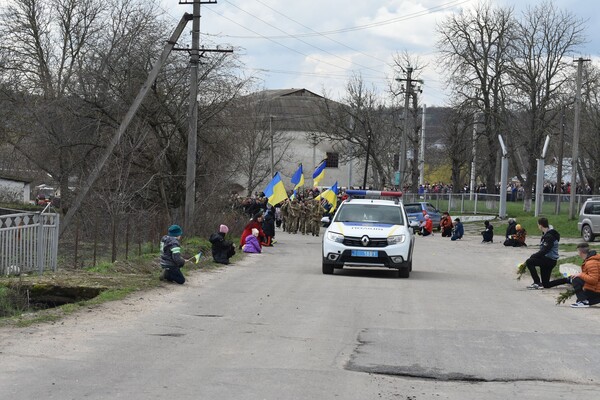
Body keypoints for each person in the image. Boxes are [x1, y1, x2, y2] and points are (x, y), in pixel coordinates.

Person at [522, 217, 560, 289]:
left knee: (529, 262)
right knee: (546, 284)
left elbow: (545, 250)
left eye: (538, 225)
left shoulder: (550, 236)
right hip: (547, 259)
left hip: (549, 260)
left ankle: (537, 282)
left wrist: (534, 256)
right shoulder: (547, 233)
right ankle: (567, 280)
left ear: (541, 225)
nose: (538, 226)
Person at [568, 243, 600, 308]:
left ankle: (583, 301)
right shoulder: (591, 260)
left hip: (596, 289)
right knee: (578, 300)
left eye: (578, 251)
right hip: (595, 288)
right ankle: (585, 301)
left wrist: (580, 274)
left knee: (575, 279)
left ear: (580, 252)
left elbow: (593, 280)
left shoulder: (591, 263)